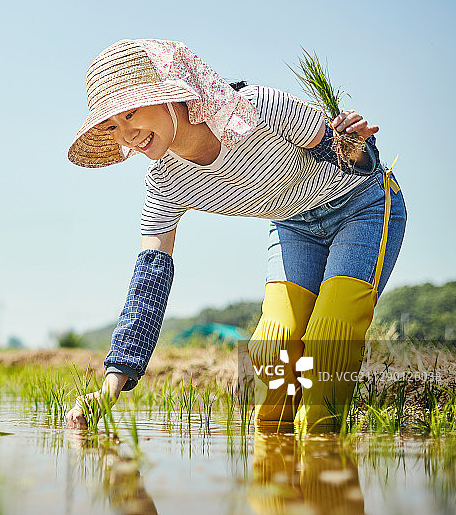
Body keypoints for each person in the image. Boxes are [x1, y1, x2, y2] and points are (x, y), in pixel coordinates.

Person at [63, 39, 406, 432]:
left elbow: (354, 159)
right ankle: (274, 469)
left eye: (131, 113)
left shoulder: (254, 108)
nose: (128, 134)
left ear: (173, 93)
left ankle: (322, 456)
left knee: (330, 338)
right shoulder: (164, 182)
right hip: (294, 224)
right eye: (113, 126)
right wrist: (109, 388)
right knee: (271, 347)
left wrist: (356, 142)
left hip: (360, 205)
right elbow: (148, 284)